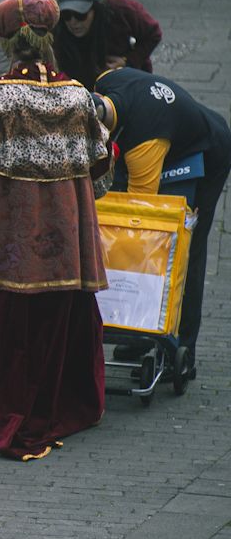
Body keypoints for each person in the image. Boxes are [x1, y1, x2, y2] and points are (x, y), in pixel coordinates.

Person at [0, 0, 111, 459]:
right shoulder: (77, 94)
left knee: (7, 317)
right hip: (66, 230)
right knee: (59, 311)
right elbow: (101, 162)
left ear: (8, 43)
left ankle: (4, 406)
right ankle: (59, 402)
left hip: (9, 230)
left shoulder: (1, 97)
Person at [93, 65, 230, 383]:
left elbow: (138, 219)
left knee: (183, 247)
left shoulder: (144, 145)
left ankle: (182, 349)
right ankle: (140, 335)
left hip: (206, 150)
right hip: (165, 138)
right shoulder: (104, 81)